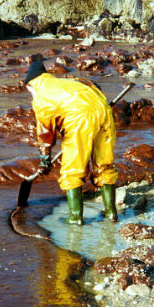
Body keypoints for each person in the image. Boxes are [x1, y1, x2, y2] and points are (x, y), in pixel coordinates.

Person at [24, 60, 118, 225]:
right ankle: (111, 213)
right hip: (103, 110)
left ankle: (76, 217)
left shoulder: (40, 96)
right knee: (104, 164)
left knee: (72, 169)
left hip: (80, 117)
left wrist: (45, 160)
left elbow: (46, 134)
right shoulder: (67, 81)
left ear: (31, 85)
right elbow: (93, 85)